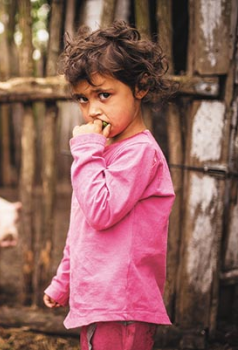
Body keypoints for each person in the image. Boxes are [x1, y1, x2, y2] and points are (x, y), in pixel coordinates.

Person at [43, 21, 177, 350]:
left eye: (104, 95)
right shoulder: (102, 154)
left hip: (123, 304)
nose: (92, 111)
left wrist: (87, 151)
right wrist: (64, 282)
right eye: (83, 100)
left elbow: (102, 213)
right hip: (99, 301)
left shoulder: (141, 154)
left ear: (141, 87)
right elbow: (83, 227)